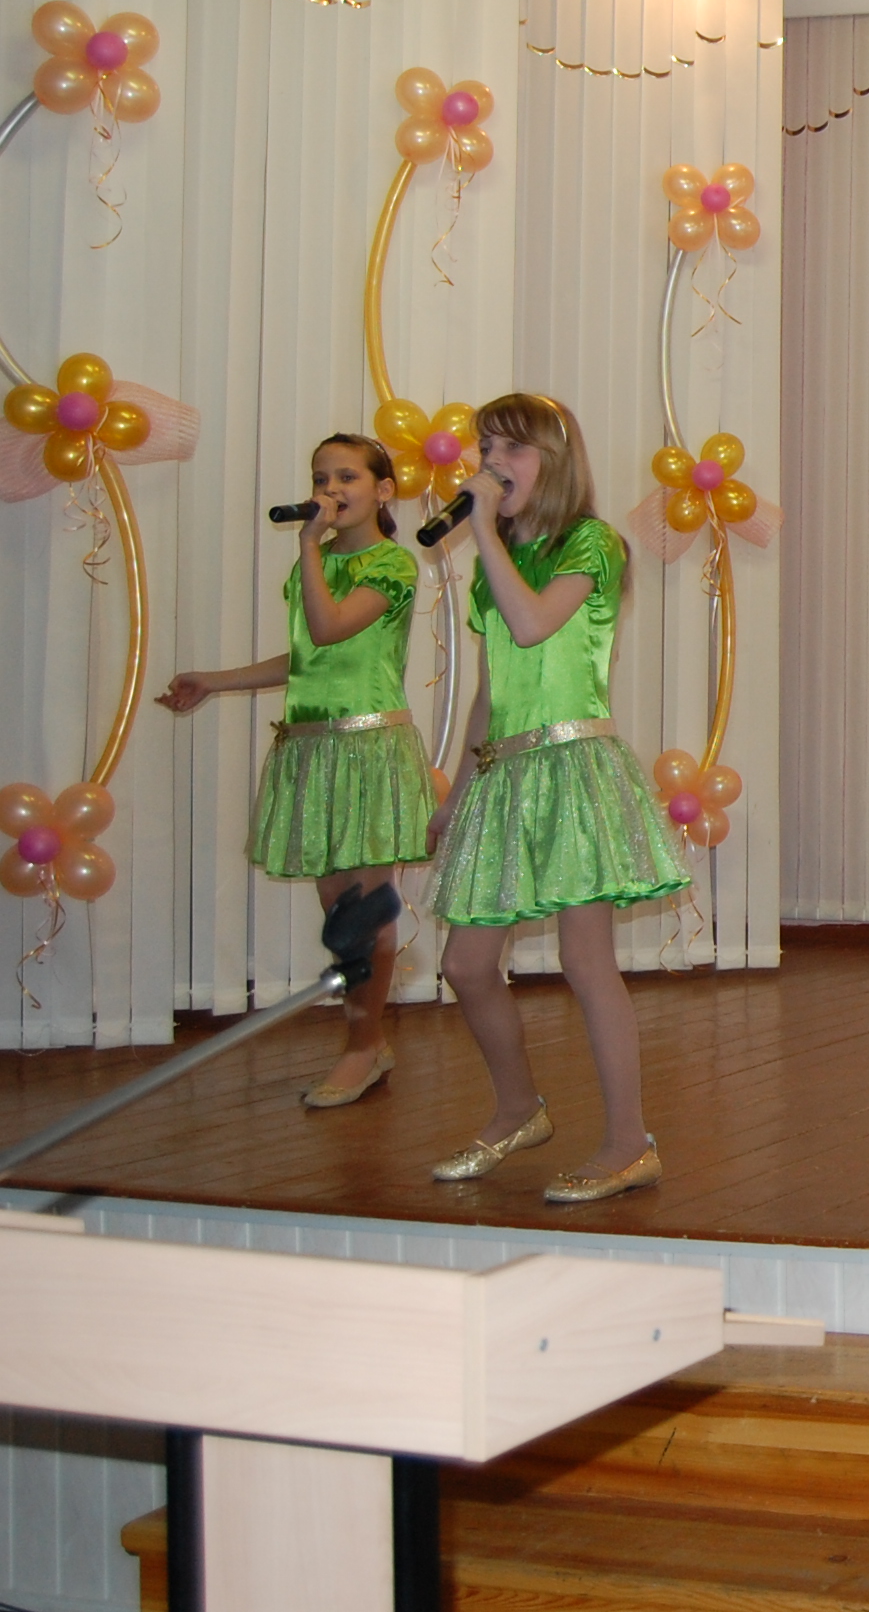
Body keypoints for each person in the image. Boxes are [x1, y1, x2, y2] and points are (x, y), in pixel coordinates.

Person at [426, 393, 690, 1202]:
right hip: (504, 774)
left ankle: (629, 1143)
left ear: (555, 459)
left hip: (573, 766)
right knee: (466, 963)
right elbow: (490, 687)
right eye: (486, 447)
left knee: (585, 960)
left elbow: (536, 625)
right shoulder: (496, 560)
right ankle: (517, 1110)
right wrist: (457, 789)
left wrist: (480, 530)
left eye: (513, 448)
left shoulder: (592, 543)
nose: (492, 462)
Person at [158, 434, 434, 1107]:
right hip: (311, 748)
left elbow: (333, 626)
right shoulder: (314, 563)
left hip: (368, 747)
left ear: (383, 489)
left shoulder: (392, 564)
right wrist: (216, 680)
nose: (331, 489)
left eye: (347, 476)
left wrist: (309, 544)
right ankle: (368, 1038)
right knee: (338, 914)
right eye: (320, 477)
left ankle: (361, 1049)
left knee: (363, 913)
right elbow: (309, 656)